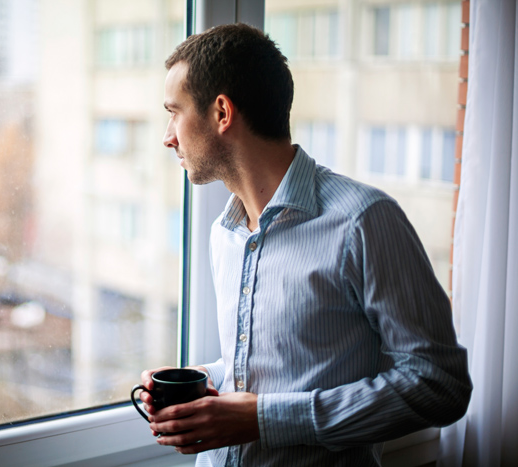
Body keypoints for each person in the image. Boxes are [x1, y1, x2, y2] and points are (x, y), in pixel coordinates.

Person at [138, 23, 472, 467]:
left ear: (222, 113)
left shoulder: (364, 221)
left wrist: (264, 420)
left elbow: (439, 384)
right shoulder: (226, 232)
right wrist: (203, 381)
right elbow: (270, 365)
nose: (168, 136)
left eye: (174, 112)